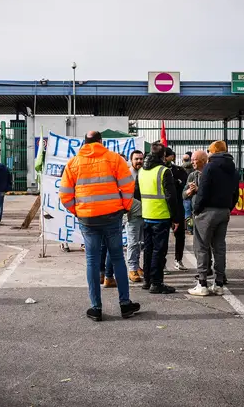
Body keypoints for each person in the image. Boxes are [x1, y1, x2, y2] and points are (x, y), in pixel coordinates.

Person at [59, 131, 140, 322]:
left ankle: (96, 308)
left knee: (92, 261)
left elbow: (64, 194)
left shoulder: (73, 163)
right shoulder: (114, 159)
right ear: (101, 142)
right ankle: (125, 304)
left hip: (88, 219)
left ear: (84, 143)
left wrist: (78, 211)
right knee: (118, 258)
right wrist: (124, 207)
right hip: (112, 217)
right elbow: (128, 186)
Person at [188, 141, 239, 296]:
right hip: (224, 211)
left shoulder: (210, 167)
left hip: (207, 212)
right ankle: (219, 283)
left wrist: (197, 210)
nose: (208, 153)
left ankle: (202, 283)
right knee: (219, 248)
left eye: (209, 151)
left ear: (214, 151)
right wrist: (228, 208)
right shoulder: (233, 169)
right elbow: (235, 193)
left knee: (202, 247)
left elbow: (203, 191)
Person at [133, 142, 181, 294]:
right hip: (161, 216)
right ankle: (156, 282)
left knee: (148, 250)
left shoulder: (141, 171)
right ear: (163, 156)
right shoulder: (164, 171)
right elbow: (171, 197)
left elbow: (136, 193)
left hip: (146, 215)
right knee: (159, 251)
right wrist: (175, 218)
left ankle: (147, 280)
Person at [183, 150, 214, 277]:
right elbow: (183, 194)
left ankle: (209, 271)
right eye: (191, 160)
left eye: (194, 160)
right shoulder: (192, 175)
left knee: (209, 243)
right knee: (198, 244)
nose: (192, 162)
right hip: (196, 213)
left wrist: (198, 189)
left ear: (203, 160)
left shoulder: (210, 173)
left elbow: (213, 193)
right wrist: (189, 192)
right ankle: (205, 268)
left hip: (209, 213)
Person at [164, 147, 189, 271]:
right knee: (163, 237)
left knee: (180, 235)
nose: (164, 158)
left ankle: (178, 259)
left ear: (172, 157)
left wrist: (175, 182)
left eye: (166, 156)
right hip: (163, 207)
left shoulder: (179, 170)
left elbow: (183, 185)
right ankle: (162, 263)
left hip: (178, 206)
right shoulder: (158, 170)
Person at [126, 150, 145, 282]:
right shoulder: (127, 175)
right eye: (136, 159)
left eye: (141, 159)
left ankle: (137, 266)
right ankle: (132, 269)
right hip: (132, 215)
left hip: (145, 214)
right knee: (132, 243)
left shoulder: (145, 173)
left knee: (140, 243)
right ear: (131, 160)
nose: (139, 161)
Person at [0, 156, 12, 225]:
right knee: (0, 204)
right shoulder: (5, 168)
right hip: (2, 189)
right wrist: (7, 186)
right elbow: (9, 177)